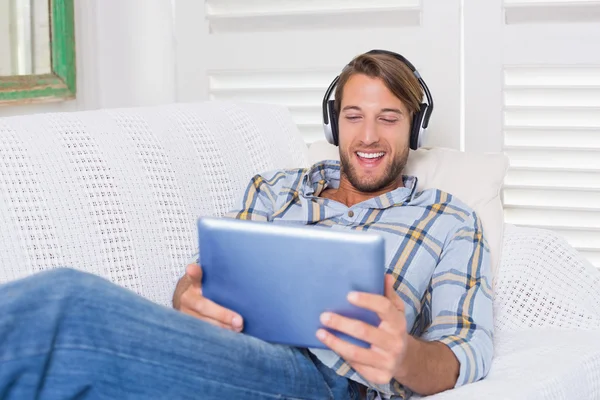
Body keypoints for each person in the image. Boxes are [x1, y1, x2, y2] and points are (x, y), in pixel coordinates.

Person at [0, 50, 493, 400]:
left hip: (326, 376)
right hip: (227, 349)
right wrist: (185, 298)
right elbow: (206, 281)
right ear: (332, 124)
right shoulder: (274, 189)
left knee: (67, 305)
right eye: (353, 116)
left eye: (388, 118)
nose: (368, 135)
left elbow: (465, 349)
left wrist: (402, 356)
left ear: (415, 126)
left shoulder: (449, 219)